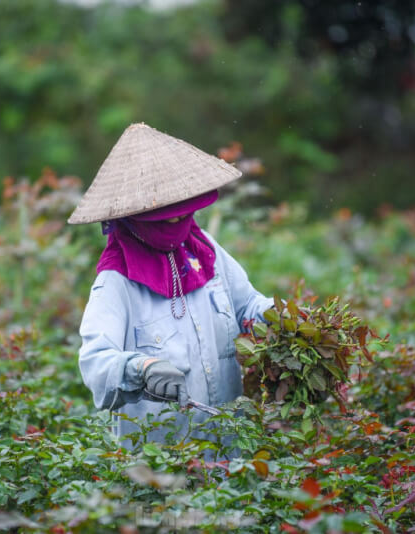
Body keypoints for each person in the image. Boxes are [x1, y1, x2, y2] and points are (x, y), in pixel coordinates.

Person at [68, 123, 272, 446]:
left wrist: (278, 317)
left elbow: (248, 305)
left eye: (181, 213)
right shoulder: (116, 281)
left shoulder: (204, 250)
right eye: (165, 217)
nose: (177, 222)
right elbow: (96, 362)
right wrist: (142, 368)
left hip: (233, 459)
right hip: (161, 466)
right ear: (133, 216)